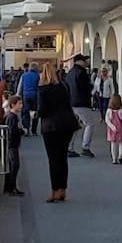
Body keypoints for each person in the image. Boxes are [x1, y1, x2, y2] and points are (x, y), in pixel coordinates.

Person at [37, 63, 79, 203]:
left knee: (53, 159)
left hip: (51, 127)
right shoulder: (63, 87)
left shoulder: (43, 89)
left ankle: (54, 190)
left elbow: (43, 111)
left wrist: (35, 114)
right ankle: (63, 190)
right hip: (67, 124)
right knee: (62, 158)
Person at [65, 54, 95, 157]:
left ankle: (69, 148)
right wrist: (91, 87)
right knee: (90, 123)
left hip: (71, 102)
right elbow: (85, 87)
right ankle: (85, 147)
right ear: (79, 61)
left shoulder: (70, 73)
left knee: (74, 126)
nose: (86, 62)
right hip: (81, 102)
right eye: (84, 61)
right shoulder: (82, 72)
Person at [2, 96, 25, 196]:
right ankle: (11, 188)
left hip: (12, 144)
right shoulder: (12, 117)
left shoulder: (10, 116)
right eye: (19, 104)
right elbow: (12, 131)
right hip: (12, 145)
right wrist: (22, 131)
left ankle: (12, 187)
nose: (21, 106)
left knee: (13, 165)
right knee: (14, 165)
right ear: (13, 105)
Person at [17, 63, 40, 135]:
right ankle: (34, 130)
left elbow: (20, 87)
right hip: (35, 96)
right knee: (35, 112)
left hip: (26, 96)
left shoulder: (23, 75)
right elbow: (39, 87)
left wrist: (18, 95)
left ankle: (26, 129)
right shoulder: (37, 76)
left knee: (25, 112)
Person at [105, 93, 122, 164]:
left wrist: (112, 126)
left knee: (113, 144)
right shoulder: (121, 111)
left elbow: (107, 120)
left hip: (112, 130)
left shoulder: (109, 110)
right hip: (120, 128)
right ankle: (120, 156)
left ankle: (114, 159)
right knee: (121, 143)